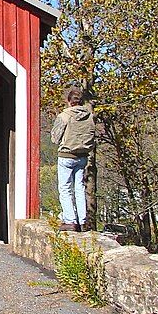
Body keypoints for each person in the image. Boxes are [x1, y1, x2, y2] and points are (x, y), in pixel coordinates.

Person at [51, 86, 95, 232]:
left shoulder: (65, 116)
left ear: (69, 101)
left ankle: (70, 221)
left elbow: (55, 138)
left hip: (66, 156)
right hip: (82, 156)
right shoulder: (89, 116)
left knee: (65, 188)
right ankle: (83, 221)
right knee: (79, 188)